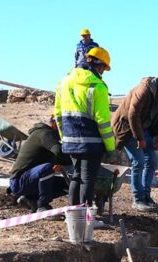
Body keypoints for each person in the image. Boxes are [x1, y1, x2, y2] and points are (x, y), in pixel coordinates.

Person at [54, 46, 115, 208]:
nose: (103, 72)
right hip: (92, 143)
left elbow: (58, 114)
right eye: (103, 69)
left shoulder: (64, 82)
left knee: (76, 176)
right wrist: (110, 147)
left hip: (70, 140)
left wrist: (64, 138)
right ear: (100, 66)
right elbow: (103, 121)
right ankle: (86, 218)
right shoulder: (98, 87)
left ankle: (73, 214)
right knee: (88, 179)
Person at [112, 76, 158, 212]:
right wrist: (139, 138)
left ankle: (146, 197)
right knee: (138, 162)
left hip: (144, 129)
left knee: (152, 161)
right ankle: (137, 199)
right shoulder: (144, 90)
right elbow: (133, 114)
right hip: (128, 128)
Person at [8, 116, 71, 213]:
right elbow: (58, 151)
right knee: (47, 168)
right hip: (19, 181)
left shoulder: (48, 136)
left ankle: (31, 199)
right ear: (55, 124)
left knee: (67, 185)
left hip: (28, 179)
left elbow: (58, 157)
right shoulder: (45, 134)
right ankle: (42, 206)